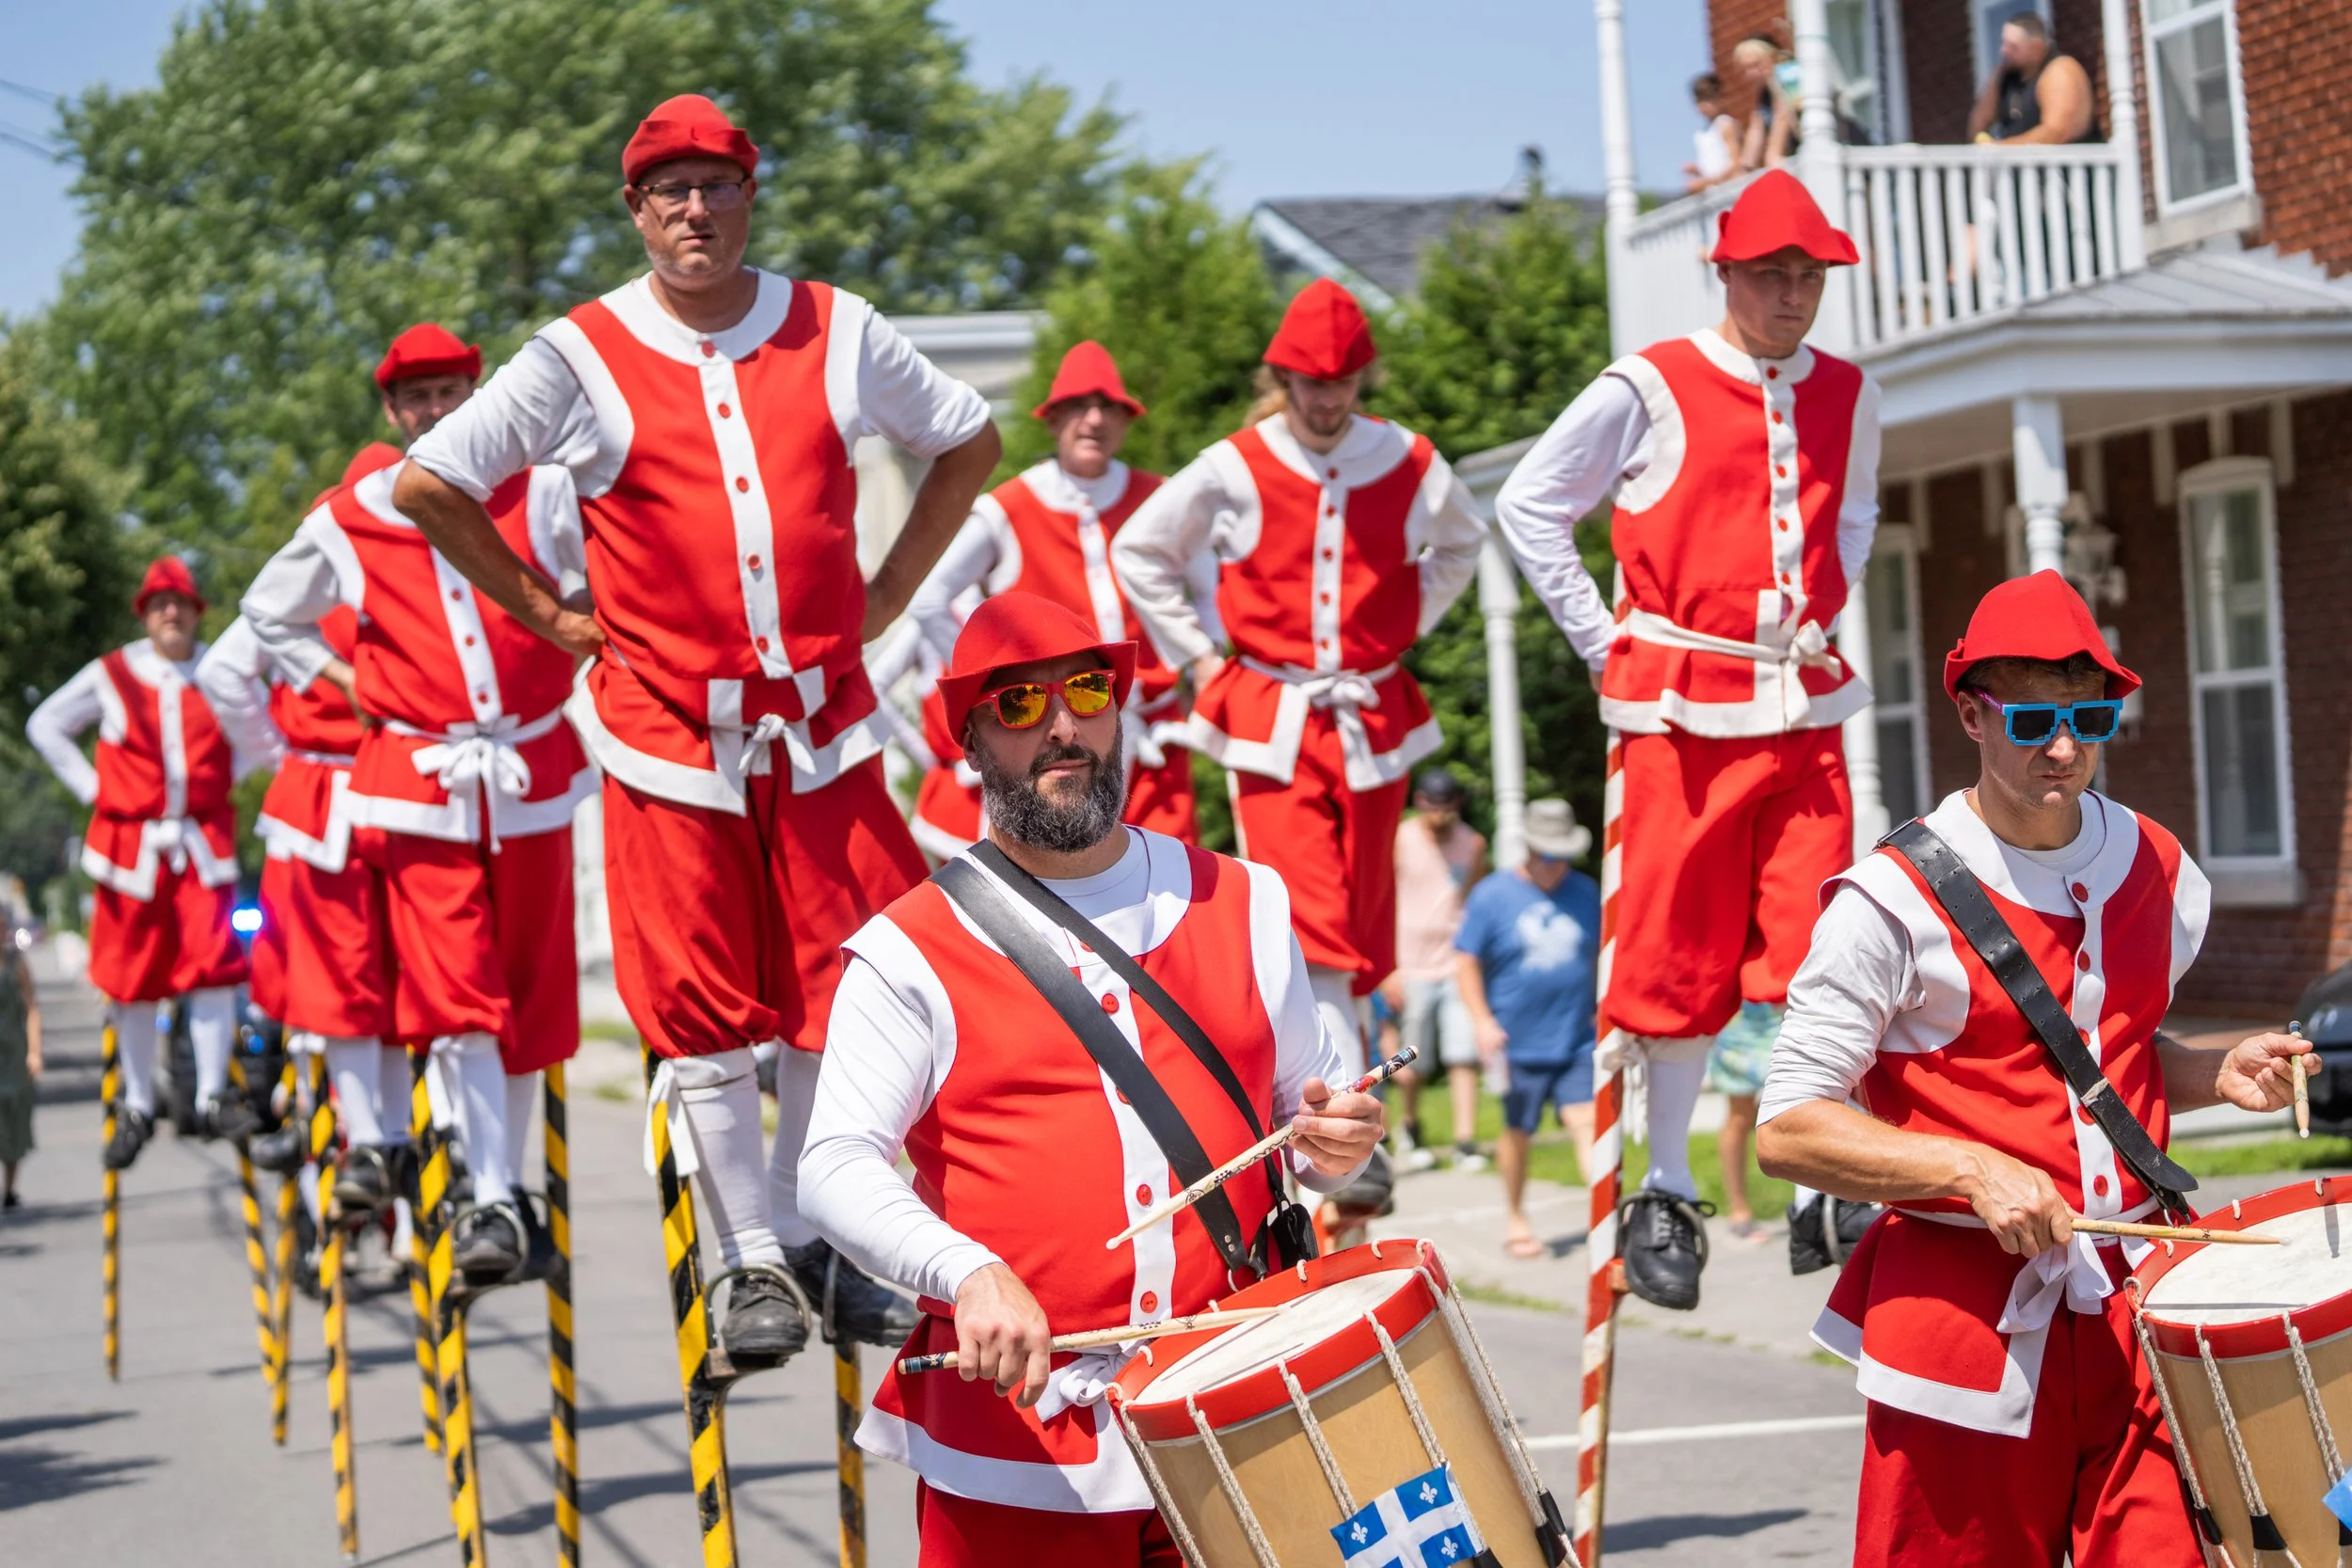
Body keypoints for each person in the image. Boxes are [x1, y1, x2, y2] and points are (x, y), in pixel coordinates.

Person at [394, 94, 1000, 1354]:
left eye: (714, 186)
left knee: (853, 984)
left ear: (748, 195)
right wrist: (549, 613)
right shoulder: (581, 350)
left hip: (824, 725)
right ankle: (751, 1261)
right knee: (704, 1000)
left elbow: (968, 436)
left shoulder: (837, 327)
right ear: (636, 209)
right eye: (667, 190)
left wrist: (889, 591)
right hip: (667, 733)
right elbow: (429, 481)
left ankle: (818, 1231)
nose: (692, 210)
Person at [799, 591, 1384, 1566]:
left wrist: (1337, 1140)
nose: (1063, 725)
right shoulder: (906, 948)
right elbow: (833, 1163)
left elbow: (1305, 1109)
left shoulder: (1246, 898)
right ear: (973, 739)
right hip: (1024, 1441)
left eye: (1086, 689)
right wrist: (966, 1271)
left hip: (1237, 1409)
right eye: (1019, 705)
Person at [1755, 570, 2296, 1567]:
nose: (2063, 748)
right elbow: (1787, 1124)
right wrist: (1969, 1168)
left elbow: (2106, 1060)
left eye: (2089, 717)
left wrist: (2214, 1071)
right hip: (1964, 1327)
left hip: (2140, 1316)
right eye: (2034, 719)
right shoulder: (1886, 901)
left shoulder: (2159, 867)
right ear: (1969, 711)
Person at [1494, 168, 1881, 1311]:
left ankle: (1821, 1170)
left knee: (1825, 941)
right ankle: (1661, 1184)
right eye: (1771, 273)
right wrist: (1603, 639)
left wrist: (1824, 601)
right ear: (1726, 272)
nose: (1792, 294)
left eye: (1808, 274)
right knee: (1671, 957)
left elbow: (1850, 517)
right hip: (1675, 704)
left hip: (1800, 699)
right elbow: (1529, 503)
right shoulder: (1649, 382)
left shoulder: (1851, 393)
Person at [243, 322, 596, 1280]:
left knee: (526, 997)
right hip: (418, 783)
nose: (434, 410)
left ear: (478, 393)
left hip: (530, 771)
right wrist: (347, 677)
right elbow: (267, 612)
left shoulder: (546, 486)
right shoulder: (351, 512)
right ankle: (488, 1195)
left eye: (450, 392)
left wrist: (582, 639)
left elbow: (615, 580)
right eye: (416, 399)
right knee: (457, 998)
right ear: (392, 412)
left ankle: (503, 1186)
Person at [1112, 278, 1487, 1085]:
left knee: (1363, 915)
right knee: (1302, 908)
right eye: (1313, 384)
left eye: (1344, 382)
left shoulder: (1407, 458)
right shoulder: (1235, 464)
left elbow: (1464, 543)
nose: (1329, 401)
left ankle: (1337, 1112)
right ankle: (1344, 1127)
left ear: (1364, 377)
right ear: (1282, 381)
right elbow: (1140, 549)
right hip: (1271, 712)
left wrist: (1403, 620)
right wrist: (1200, 654)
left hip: (1371, 707)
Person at [906, 341, 1214, 847]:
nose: (1093, 420)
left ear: (1126, 420)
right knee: (1061, 879)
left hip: (1154, 733)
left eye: (1108, 408)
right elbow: (928, 599)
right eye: (1078, 407)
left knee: (1171, 887)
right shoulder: (1009, 508)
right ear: (1052, 420)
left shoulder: (1161, 498)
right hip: (1056, 734)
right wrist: (985, 678)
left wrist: (1201, 664)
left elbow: (1207, 587)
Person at [200, 440, 405, 1199]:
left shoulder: (338, 556)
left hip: (349, 787)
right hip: (356, 793)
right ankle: (366, 1128)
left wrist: (274, 749)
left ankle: (371, 1136)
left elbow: (222, 671)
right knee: (357, 979)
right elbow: (223, 670)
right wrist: (282, 748)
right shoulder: (380, 559)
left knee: (355, 980)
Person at [28, 558, 261, 1166]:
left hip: (202, 847)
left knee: (211, 972)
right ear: (145, 612)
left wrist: (221, 781)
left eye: (180, 603)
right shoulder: (114, 672)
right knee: (130, 981)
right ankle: (136, 1101)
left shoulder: (221, 667)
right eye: (159, 603)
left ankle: (212, 1094)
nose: (170, 612)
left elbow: (263, 730)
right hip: (129, 850)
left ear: (195, 610)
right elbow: (46, 723)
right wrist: (93, 789)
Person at [1454, 799, 1599, 1259]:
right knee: (1519, 1130)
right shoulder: (1493, 895)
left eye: (1564, 857)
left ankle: (1605, 1219)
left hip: (1577, 1035)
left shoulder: (1587, 892)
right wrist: (1481, 1020)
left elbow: (1598, 954)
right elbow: (1465, 960)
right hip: (1516, 1042)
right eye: (1548, 856)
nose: (1556, 867)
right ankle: (1516, 1215)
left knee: (1586, 1121)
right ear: (1530, 851)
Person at [1386, 766, 1488, 1172]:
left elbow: (1475, 903)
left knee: (1463, 1054)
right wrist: (1389, 968)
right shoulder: (1401, 839)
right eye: (1432, 809)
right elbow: (1383, 898)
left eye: (1447, 809)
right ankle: (1410, 1128)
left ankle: (1466, 1140)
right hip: (1409, 965)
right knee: (1413, 1062)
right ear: (1420, 805)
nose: (1440, 816)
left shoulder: (1473, 844)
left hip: (1454, 963)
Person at [1704, 1003, 1776, 1243]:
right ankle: (1739, 1209)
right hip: (1741, 1014)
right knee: (1740, 1115)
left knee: (1801, 1108)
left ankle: (1811, 1203)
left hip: (1785, 1007)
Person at [1968, 13, 2095, 146]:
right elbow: (1979, 122)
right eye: (2003, 44)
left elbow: (2057, 133)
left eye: (2013, 47)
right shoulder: (2004, 75)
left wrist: (2002, 148)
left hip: (2064, 164)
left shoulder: (2060, 70)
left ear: (2036, 47)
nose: (2003, 51)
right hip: (2020, 163)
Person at [0, 935, 40, 1209]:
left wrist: (35, 1052)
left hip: (13, 1054)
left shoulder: (16, 964)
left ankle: (10, 1189)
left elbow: (32, 1008)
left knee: (14, 1117)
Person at [1684, 72, 1743, 193]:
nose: (1702, 106)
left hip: (1729, 191)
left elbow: (1736, 164)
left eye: (1707, 100)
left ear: (1719, 98)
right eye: (1698, 101)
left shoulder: (1725, 123)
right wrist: (1698, 172)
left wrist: (1707, 182)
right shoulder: (1703, 132)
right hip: (1713, 195)